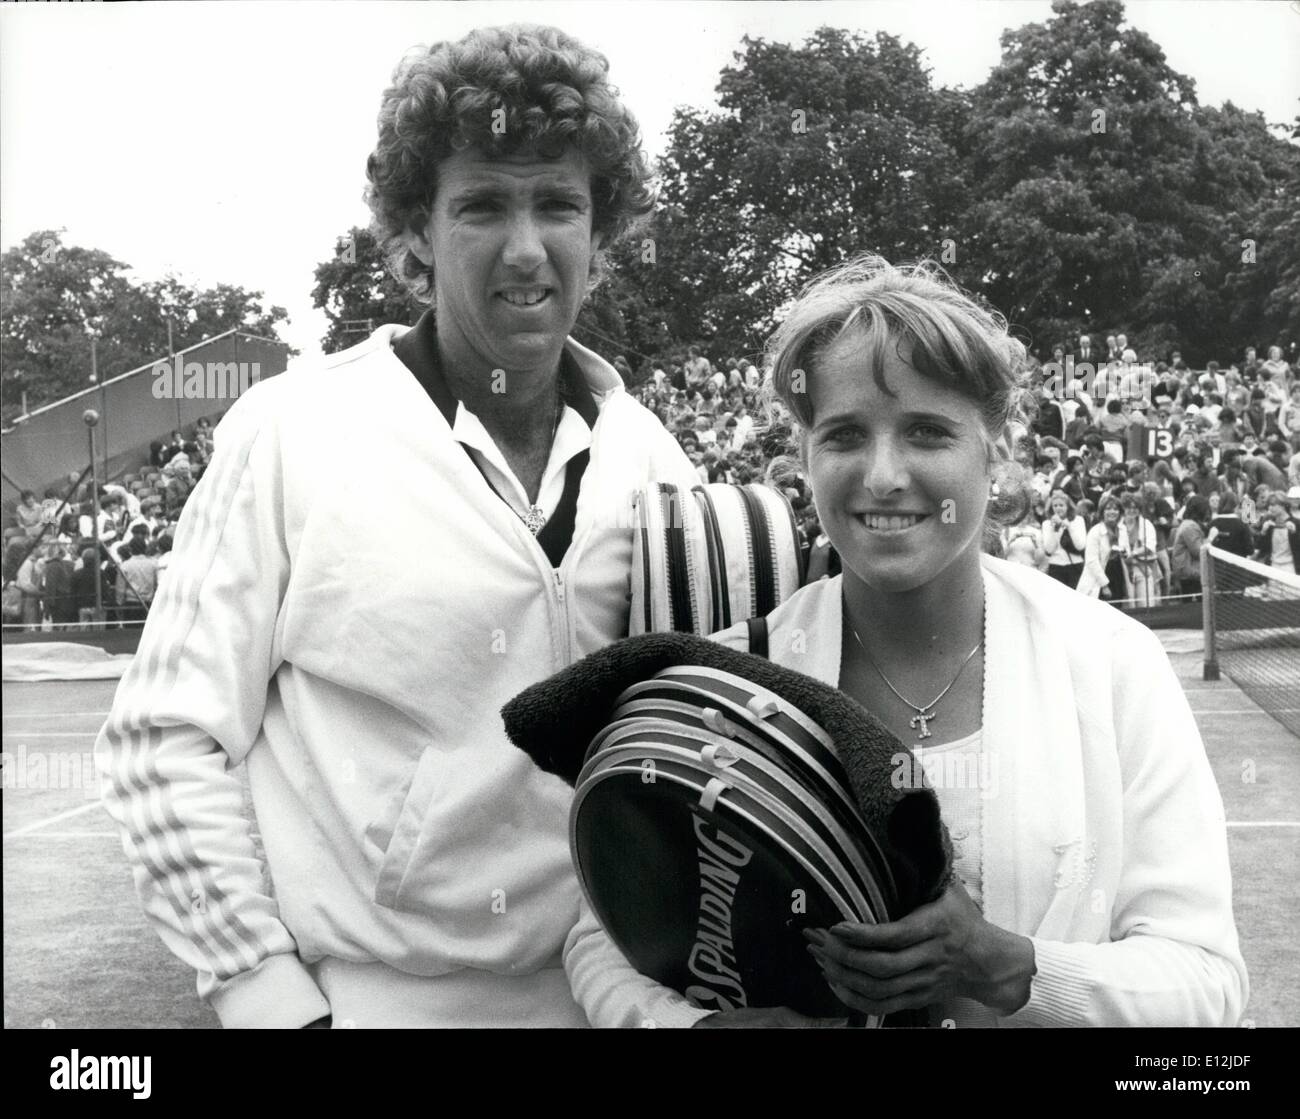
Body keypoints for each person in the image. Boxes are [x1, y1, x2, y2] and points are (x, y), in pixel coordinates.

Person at [96, 24, 707, 1031]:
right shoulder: (292, 433)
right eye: (480, 206)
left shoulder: (650, 459)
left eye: (558, 204)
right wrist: (267, 996)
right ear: (415, 232)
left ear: (601, 234)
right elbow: (163, 739)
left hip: (621, 1005)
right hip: (376, 1007)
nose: (525, 248)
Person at [699, 255, 1245, 1026]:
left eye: (927, 432)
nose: (884, 474)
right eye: (845, 434)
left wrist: (1011, 965)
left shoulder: (1115, 661)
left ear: (995, 451)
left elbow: (1207, 981)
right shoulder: (736, 672)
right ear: (805, 456)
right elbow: (604, 936)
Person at [1040, 491, 1086, 588]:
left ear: (1068, 506)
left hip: (1075, 564)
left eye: (1061, 505)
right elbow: (1049, 550)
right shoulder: (1046, 524)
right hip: (1056, 565)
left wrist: (1069, 527)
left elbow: (1080, 546)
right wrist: (1054, 529)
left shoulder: (1078, 520)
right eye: (1055, 506)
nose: (1058, 508)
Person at [1172, 495, 1211, 596]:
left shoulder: (1188, 524)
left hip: (1188, 574)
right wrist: (1211, 537)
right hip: (1190, 575)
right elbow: (1199, 551)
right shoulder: (1190, 526)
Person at [1252, 493, 1299, 574]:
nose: (1270, 508)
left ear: (1283, 505)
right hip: (1272, 566)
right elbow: (1259, 546)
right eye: (1269, 505)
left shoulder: (1296, 523)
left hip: (1291, 567)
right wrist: (1263, 532)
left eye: (1273, 505)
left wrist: (1294, 533)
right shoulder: (1268, 523)